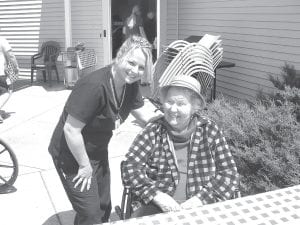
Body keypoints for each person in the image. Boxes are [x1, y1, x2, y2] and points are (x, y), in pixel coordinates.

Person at [48, 35, 162, 225]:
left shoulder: (129, 85)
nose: (135, 71)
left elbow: (141, 114)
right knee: (90, 212)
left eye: (141, 67)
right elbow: (70, 130)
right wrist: (85, 166)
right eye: (131, 63)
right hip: (71, 155)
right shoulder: (94, 86)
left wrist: (166, 123)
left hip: (97, 151)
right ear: (120, 56)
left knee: (103, 205)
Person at [122, 75, 239, 217]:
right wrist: (157, 196)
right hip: (157, 205)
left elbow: (229, 173)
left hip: (202, 205)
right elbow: (129, 167)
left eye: (181, 104)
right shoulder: (153, 130)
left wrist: (200, 199)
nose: (173, 109)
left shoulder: (209, 130)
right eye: (169, 102)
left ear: (194, 107)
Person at [0, 36, 19, 123]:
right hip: (1, 73)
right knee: (8, 90)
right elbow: (10, 55)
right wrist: (16, 67)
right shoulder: (2, 40)